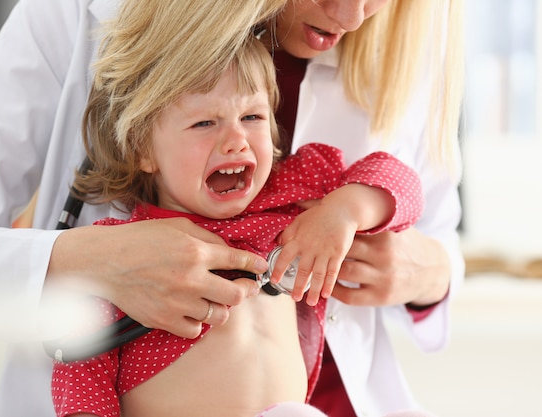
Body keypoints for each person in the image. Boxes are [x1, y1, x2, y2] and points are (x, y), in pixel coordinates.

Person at [0, 0, 465, 416]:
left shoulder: (400, 43)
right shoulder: (76, 15)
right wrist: (88, 259)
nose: (352, 14)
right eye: (204, 123)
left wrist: (424, 271)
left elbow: (423, 215)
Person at [49, 18, 423, 416]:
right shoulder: (122, 251)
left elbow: (400, 180)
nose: (235, 140)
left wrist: (346, 211)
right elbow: (80, 369)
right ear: (143, 149)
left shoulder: (294, 192)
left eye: (252, 118)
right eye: (204, 123)